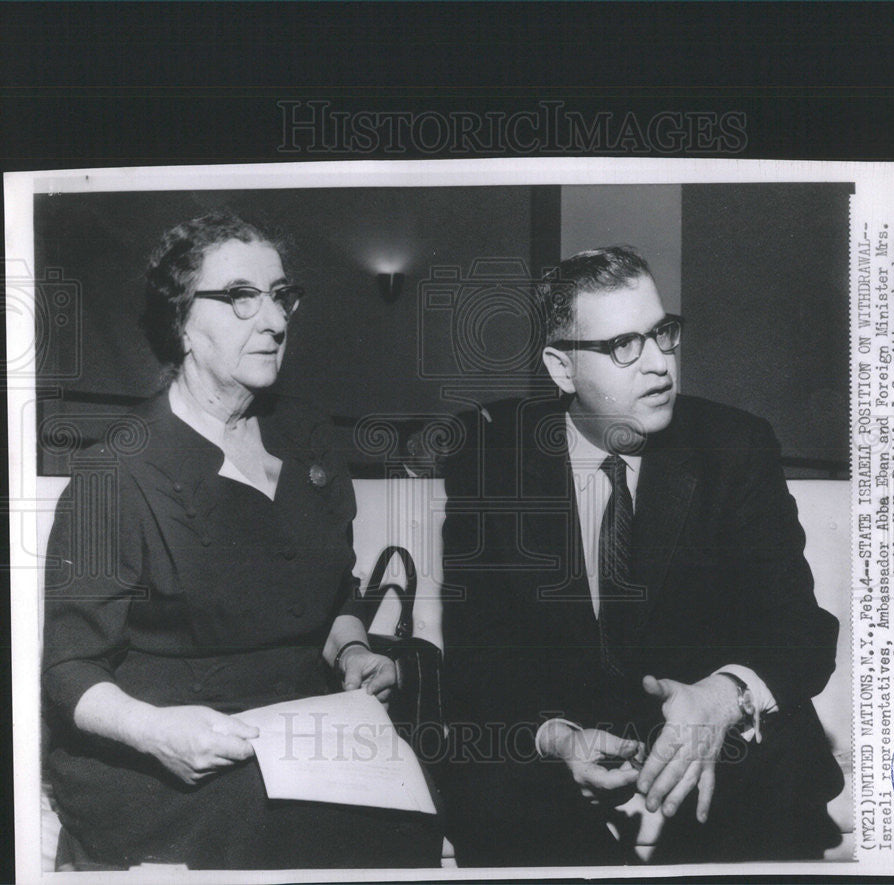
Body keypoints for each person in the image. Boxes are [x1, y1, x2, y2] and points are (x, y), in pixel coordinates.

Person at [42, 211, 440, 870]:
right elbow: (69, 672)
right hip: (170, 764)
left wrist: (352, 647)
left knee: (408, 821)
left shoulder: (307, 436)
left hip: (302, 736)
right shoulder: (116, 470)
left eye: (282, 296)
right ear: (182, 323)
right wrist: (159, 731)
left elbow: (337, 592)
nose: (276, 320)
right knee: (276, 829)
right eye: (240, 298)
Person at [440, 245, 843, 866]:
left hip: (736, 781)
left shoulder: (734, 447)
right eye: (624, 345)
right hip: (557, 795)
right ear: (561, 367)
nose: (659, 364)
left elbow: (802, 632)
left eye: (663, 333)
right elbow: (477, 664)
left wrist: (725, 697)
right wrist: (554, 739)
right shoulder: (491, 461)